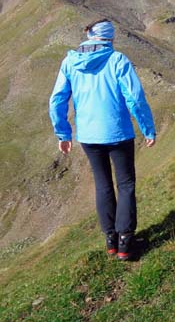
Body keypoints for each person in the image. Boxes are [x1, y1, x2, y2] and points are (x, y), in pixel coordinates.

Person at [49, 19, 156, 260]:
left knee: (103, 184)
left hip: (88, 136)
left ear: (89, 37)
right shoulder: (118, 60)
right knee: (125, 184)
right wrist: (148, 129)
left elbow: (57, 100)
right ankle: (126, 243)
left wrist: (63, 133)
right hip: (119, 134)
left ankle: (110, 241)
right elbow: (135, 98)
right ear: (109, 38)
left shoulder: (70, 62)